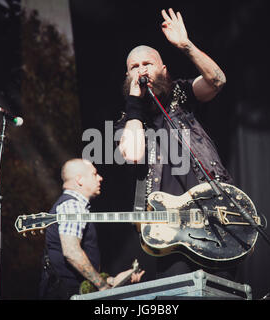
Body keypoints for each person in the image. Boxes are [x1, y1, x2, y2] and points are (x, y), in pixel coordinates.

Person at [116, 9, 237, 280]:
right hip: (169, 230)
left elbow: (217, 80)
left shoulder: (181, 94)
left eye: (146, 64)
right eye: (133, 68)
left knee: (223, 286)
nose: (141, 71)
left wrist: (186, 45)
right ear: (127, 76)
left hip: (211, 212)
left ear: (163, 69)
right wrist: (134, 104)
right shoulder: (128, 120)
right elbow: (133, 153)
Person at [39, 158, 144, 299]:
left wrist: (113, 281)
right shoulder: (72, 205)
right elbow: (71, 252)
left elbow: (82, 279)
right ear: (79, 180)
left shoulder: (76, 206)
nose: (100, 178)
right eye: (94, 174)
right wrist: (103, 286)